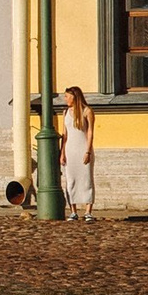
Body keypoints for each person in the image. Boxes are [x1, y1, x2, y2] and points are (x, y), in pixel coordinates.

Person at [60, 85, 96, 221]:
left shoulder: (87, 111)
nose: (65, 99)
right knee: (71, 180)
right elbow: (65, 134)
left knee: (86, 179)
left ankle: (88, 211)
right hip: (70, 150)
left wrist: (88, 150)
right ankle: (73, 211)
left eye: (67, 96)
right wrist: (62, 152)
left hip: (83, 148)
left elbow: (90, 132)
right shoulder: (66, 113)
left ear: (74, 97)